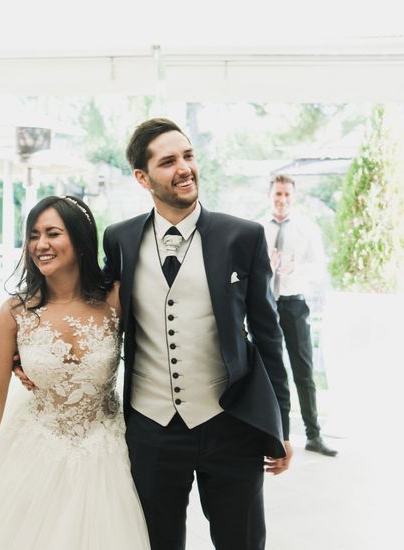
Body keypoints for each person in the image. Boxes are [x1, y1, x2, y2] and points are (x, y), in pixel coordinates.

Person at [17, 118, 291, 550]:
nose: (184, 168)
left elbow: (269, 336)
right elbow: (90, 303)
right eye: (169, 162)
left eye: (188, 156)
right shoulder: (121, 240)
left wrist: (281, 425)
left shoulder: (243, 236)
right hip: (151, 429)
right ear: (142, 178)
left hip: (230, 423)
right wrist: (30, 346)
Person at [0, 196, 150, 549]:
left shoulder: (115, 299)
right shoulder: (15, 313)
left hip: (107, 449)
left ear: (80, 241)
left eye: (53, 233)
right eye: (34, 235)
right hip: (35, 450)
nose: (41, 244)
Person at [259, 174, 336, 457]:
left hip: (294, 305)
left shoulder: (307, 229)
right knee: (269, 373)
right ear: (270, 196)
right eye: (278, 194)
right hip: (264, 306)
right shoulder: (257, 228)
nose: (282, 200)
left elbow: (317, 269)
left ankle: (314, 435)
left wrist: (295, 270)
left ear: (294, 197)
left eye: (287, 195)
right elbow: (244, 269)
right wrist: (265, 267)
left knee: (303, 371)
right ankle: (277, 435)